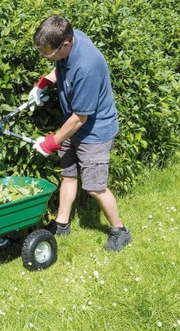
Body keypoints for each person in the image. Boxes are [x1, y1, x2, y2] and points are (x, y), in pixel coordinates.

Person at [29, 15, 132, 251]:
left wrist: (49, 143)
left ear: (65, 44)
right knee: (68, 175)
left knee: (95, 187)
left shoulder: (87, 67)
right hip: (72, 123)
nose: (45, 58)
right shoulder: (72, 38)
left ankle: (120, 230)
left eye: (47, 53)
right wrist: (43, 83)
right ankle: (62, 223)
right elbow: (60, 67)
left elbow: (80, 118)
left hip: (94, 132)